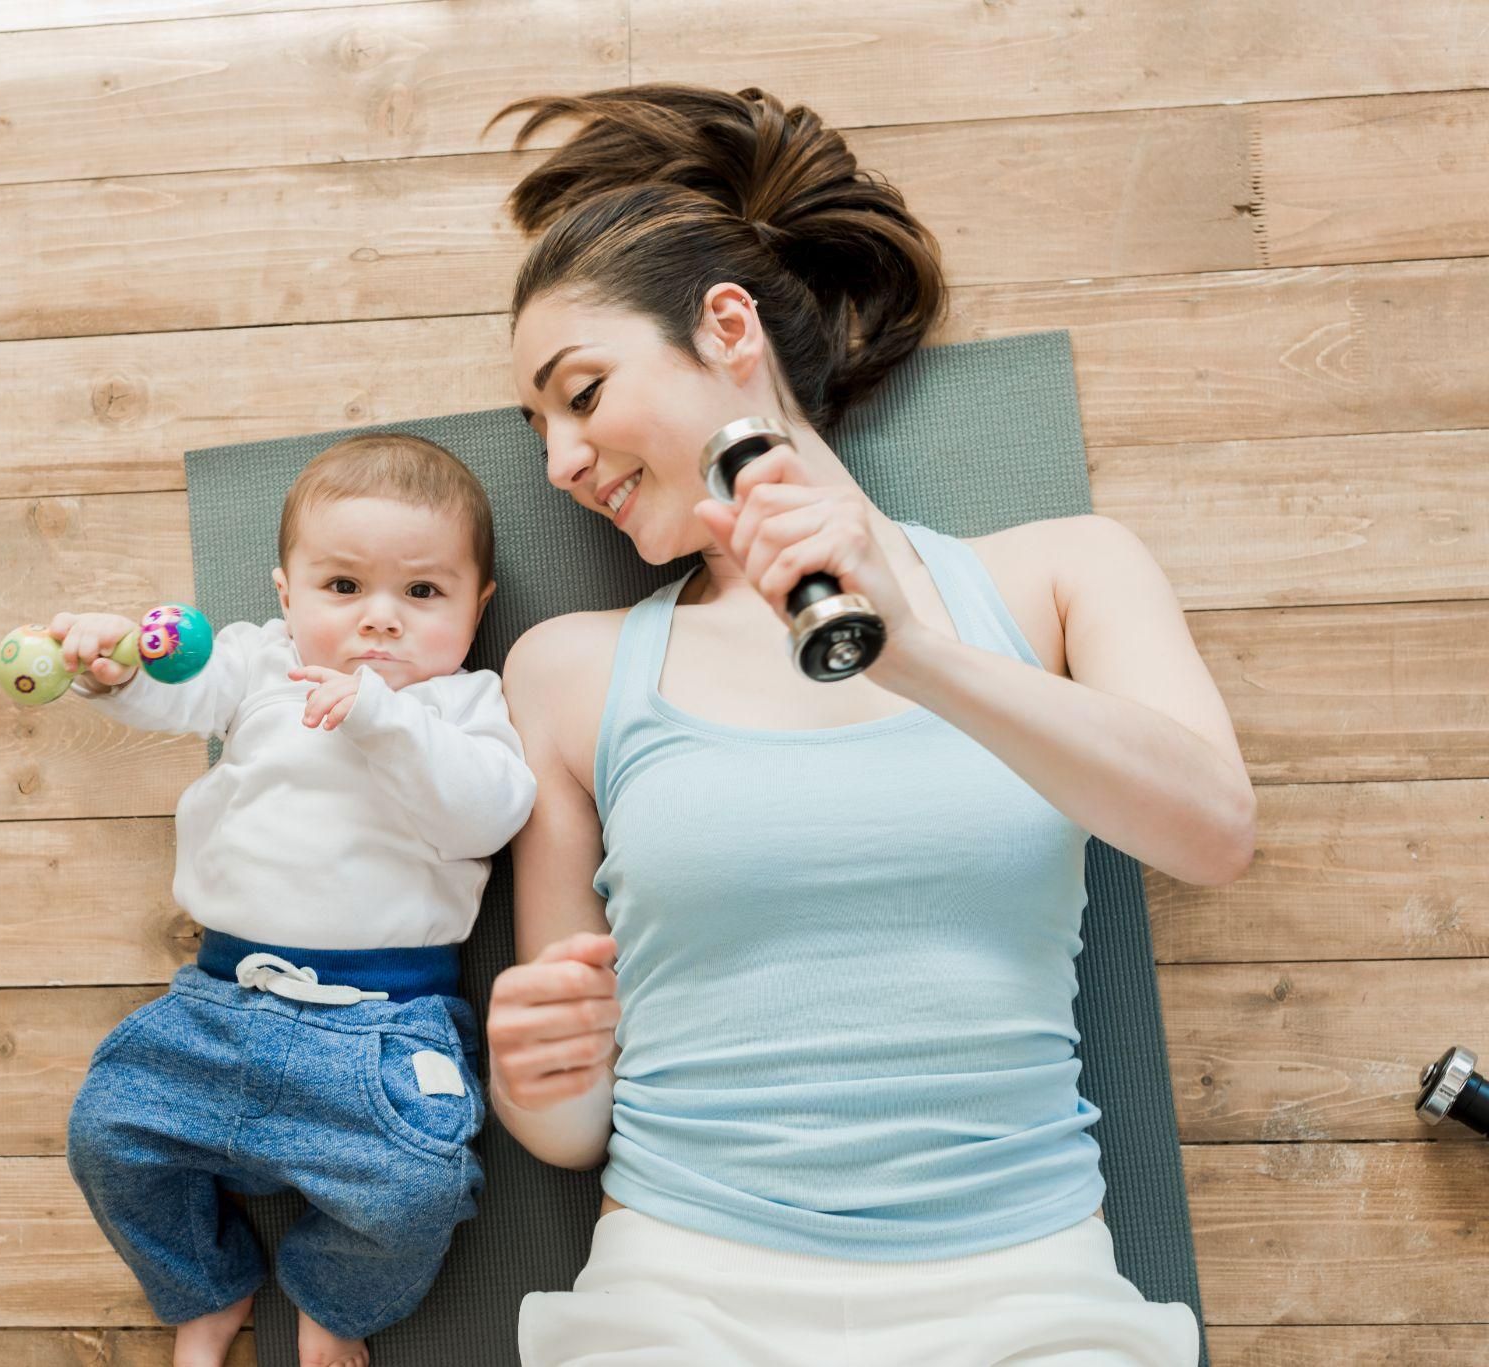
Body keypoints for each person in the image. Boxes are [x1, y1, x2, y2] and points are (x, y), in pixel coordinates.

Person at [480, 84, 1254, 1366]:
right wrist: (533, 1070)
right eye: (538, 428)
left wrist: (918, 653)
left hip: (1024, 1287)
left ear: (726, 328)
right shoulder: (566, 669)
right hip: (681, 1284)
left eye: (579, 392)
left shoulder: (1062, 575)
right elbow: (570, 1129)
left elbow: (1212, 832)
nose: (559, 458)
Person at [58, 433, 537, 1367]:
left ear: (477, 608)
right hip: (216, 1003)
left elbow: (489, 812)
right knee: (107, 1132)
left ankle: (331, 1295)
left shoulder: (462, 706)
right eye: (344, 588)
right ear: (287, 595)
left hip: (381, 1030)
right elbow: (184, 692)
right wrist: (114, 674)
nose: (381, 622)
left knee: (419, 1190)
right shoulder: (262, 663)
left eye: (424, 593)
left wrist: (381, 717)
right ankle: (208, 1282)